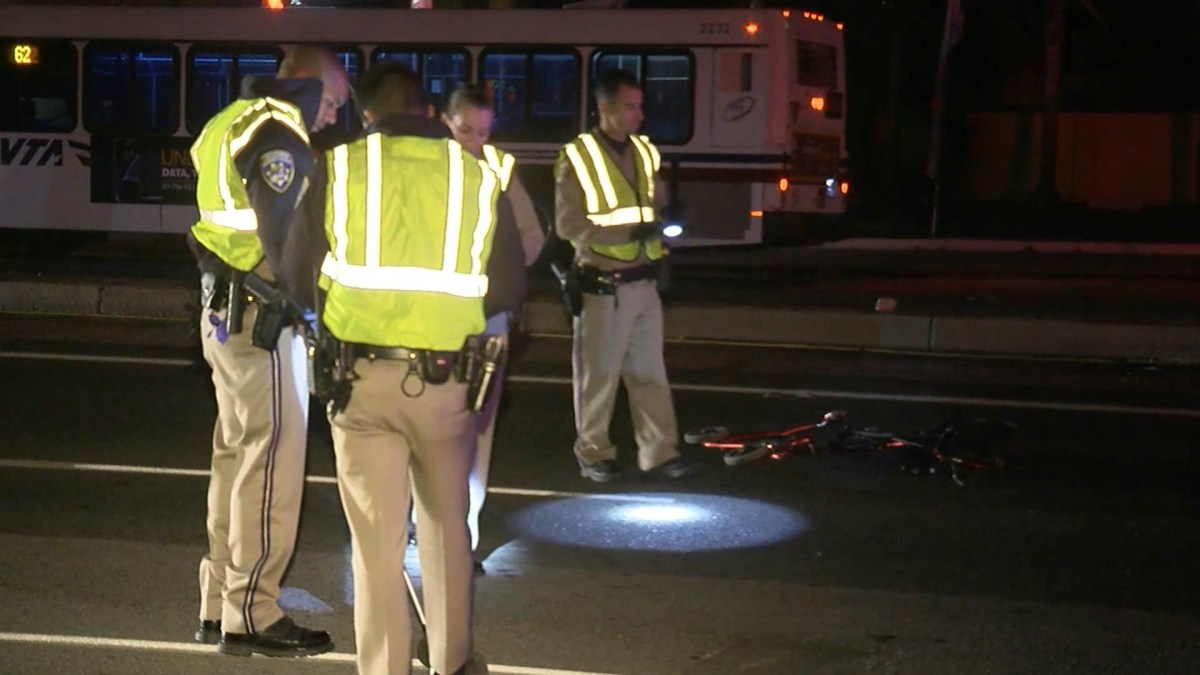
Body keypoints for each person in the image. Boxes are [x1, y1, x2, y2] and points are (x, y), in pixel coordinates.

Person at [284, 62, 497, 675]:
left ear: (366, 114)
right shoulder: (475, 174)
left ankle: (383, 668)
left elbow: (300, 274)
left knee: (376, 547)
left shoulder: (339, 168)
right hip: (447, 381)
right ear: (430, 112)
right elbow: (507, 283)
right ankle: (452, 660)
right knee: (446, 529)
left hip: (360, 382)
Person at [187, 45, 346, 658]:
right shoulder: (279, 130)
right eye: (331, 101)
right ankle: (253, 612)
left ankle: (218, 601)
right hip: (262, 319)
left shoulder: (227, 119)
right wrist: (310, 312)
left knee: (235, 458)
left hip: (224, 311)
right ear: (311, 87)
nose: (331, 117)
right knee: (271, 463)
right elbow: (285, 234)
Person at [554, 68, 699, 483]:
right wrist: (632, 232)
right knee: (598, 378)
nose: (640, 115)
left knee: (650, 374)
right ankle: (594, 452)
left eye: (640, 106)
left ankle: (659, 452)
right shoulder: (578, 157)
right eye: (631, 107)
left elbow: (655, 206)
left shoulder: (644, 152)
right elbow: (569, 226)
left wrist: (668, 217)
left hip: (643, 282)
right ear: (605, 108)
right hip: (603, 284)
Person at [442, 83, 545, 569]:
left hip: (486, 319)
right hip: (438, 320)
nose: (474, 142)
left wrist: (498, 279)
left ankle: (464, 535)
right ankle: (429, 525)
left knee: (477, 431)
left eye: (483, 132)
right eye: (466, 130)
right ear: (445, 122)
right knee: (434, 427)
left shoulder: (499, 168)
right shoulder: (430, 166)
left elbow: (532, 236)